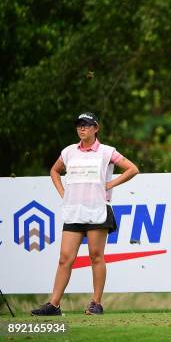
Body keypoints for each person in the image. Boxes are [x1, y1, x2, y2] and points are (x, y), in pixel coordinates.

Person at [31, 112, 139, 316]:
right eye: (79, 125)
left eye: (87, 125)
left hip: (98, 209)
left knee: (96, 256)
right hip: (74, 211)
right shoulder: (69, 152)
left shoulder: (107, 152)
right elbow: (55, 171)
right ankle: (54, 305)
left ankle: (96, 303)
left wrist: (109, 184)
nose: (82, 128)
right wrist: (64, 193)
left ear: (96, 128)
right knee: (65, 258)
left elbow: (132, 169)